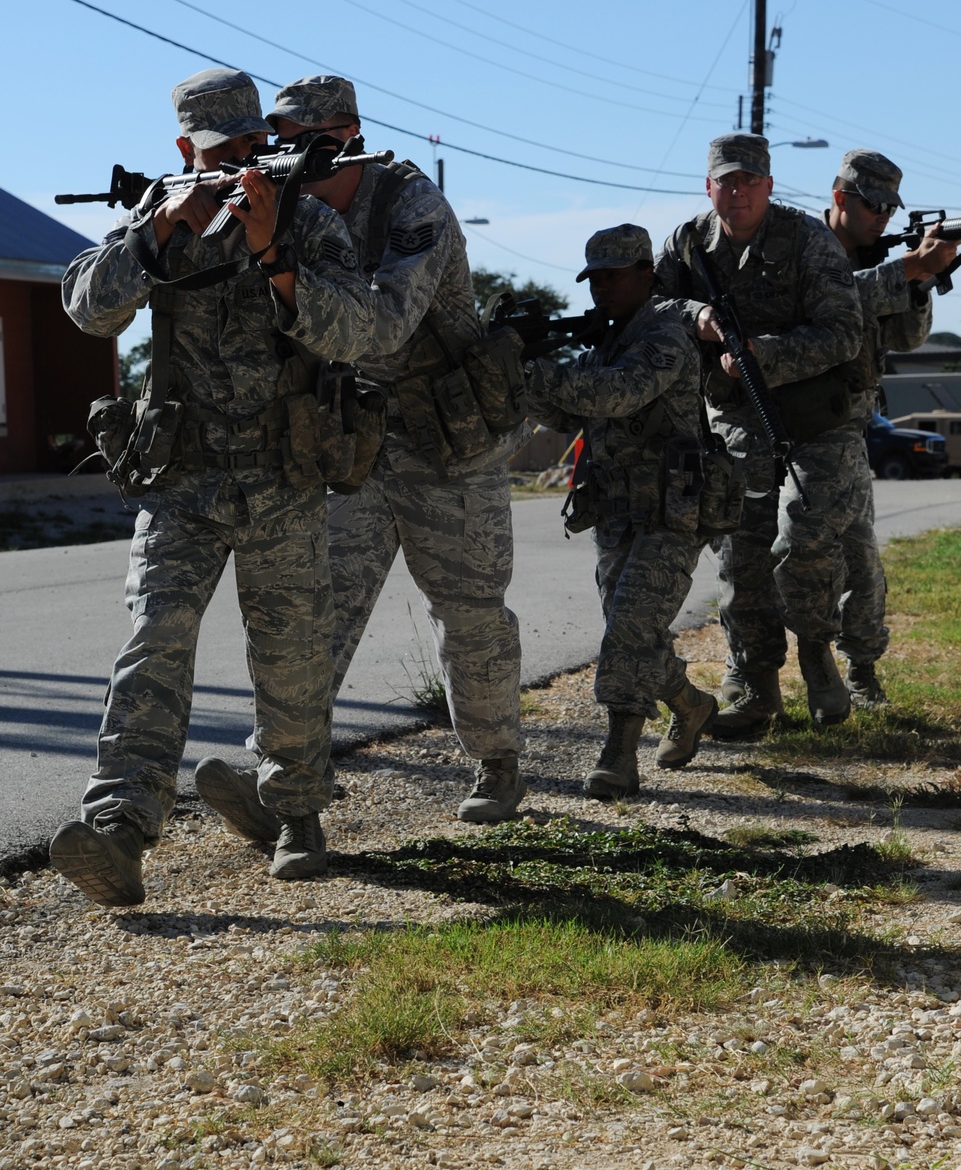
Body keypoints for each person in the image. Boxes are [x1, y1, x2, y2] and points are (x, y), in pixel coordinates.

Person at [49, 68, 375, 906]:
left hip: (283, 474)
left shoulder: (306, 216)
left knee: (293, 656)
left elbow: (355, 330)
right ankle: (121, 827)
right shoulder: (159, 215)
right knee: (154, 641)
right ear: (186, 149)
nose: (242, 159)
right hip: (181, 478)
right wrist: (155, 241)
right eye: (222, 148)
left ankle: (298, 812)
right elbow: (89, 310)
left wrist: (273, 252)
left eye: (251, 143)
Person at [195, 75, 526, 826]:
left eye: (297, 141)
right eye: (274, 141)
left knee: (469, 609)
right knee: (316, 612)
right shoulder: (293, 209)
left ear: (344, 137)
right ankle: (284, 781)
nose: (279, 154)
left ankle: (498, 762)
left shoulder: (414, 206)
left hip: (449, 435)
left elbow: (381, 329)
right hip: (360, 439)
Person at [656, 133, 863, 737]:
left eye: (750, 180)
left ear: (770, 186)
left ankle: (819, 650)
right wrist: (695, 318)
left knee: (803, 541)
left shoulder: (807, 239)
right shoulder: (689, 243)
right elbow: (651, 310)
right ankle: (754, 682)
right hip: (736, 420)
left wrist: (760, 354)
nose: (738, 191)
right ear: (709, 186)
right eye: (727, 180)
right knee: (739, 551)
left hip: (816, 420)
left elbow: (843, 332)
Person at [524, 224, 717, 797]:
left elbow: (615, 395)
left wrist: (539, 371)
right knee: (633, 630)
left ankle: (618, 753)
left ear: (646, 276)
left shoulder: (665, 336)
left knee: (630, 625)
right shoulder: (607, 342)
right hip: (616, 510)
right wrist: (519, 378)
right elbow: (570, 415)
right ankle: (691, 704)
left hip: (671, 512)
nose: (602, 288)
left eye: (614, 276)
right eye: (594, 279)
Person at [825, 149, 958, 707]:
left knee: (860, 556)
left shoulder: (878, 258)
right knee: (770, 556)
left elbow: (907, 338)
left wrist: (923, 280)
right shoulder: (805, 251)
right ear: (840, 198)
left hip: (846, 428)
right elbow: (823, 304)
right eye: (871, 203)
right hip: (775, 422)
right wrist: (906, 269)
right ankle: (758, 676)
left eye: (889, 206)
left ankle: (861, 667)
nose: (881, 215)